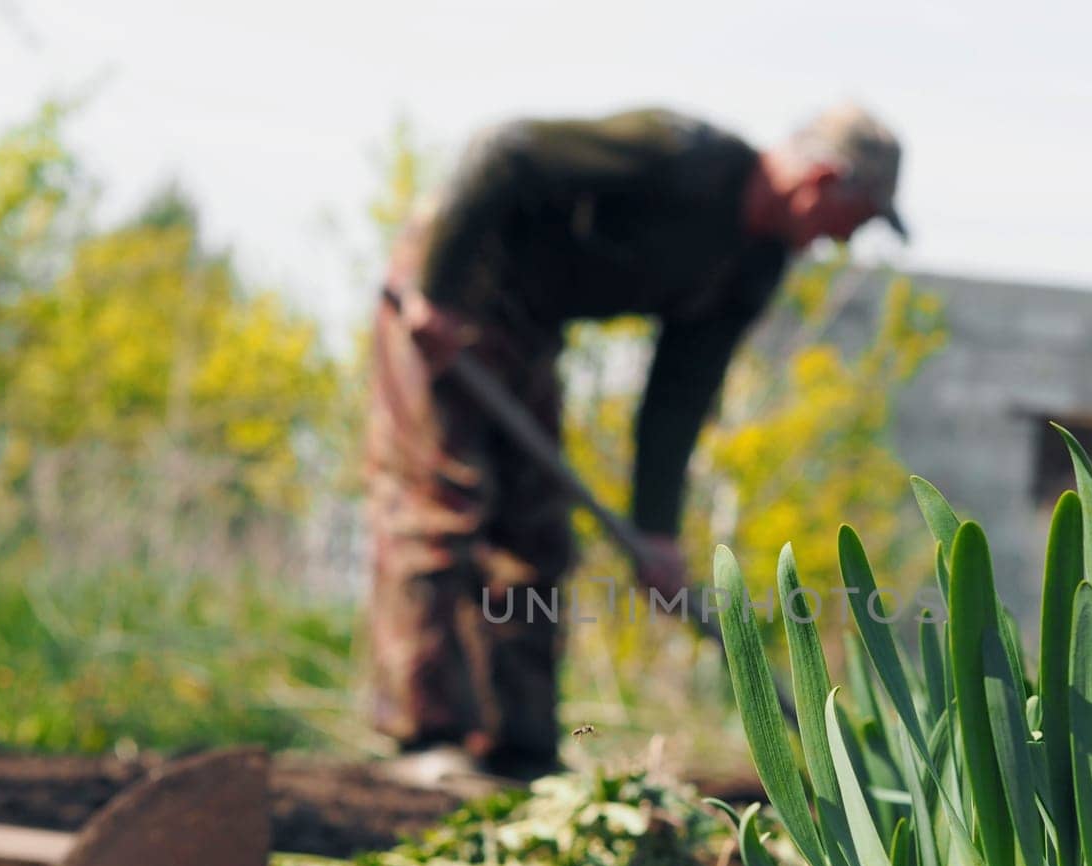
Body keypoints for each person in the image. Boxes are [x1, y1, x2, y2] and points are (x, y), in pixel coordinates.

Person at [366, 103, 906, 779]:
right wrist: (438, 291)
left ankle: (519, 750)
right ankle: (425, 737)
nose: (842, 242)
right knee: (442, 504)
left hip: (526, 327)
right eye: (850, 222)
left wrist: (656, 531)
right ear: (822, 180)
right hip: (449, 280)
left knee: (537, 535)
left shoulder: (753, 265)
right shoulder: (679, 156)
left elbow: (678, 395)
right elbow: (505, 150)